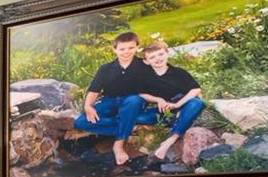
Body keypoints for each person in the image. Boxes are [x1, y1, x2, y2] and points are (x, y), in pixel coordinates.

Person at [72, 31, 157, 166]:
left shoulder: (145, 66)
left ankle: (118, 144)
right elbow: (94, 91)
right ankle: (128, 124)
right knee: (81, 122)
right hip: (110, 102)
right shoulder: (105, 69)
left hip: (133, 103)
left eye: (131, 48)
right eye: (122, 49)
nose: (126, 52)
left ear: (137, 47)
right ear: (115, 50)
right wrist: (88, 106)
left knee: (134, 100)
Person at [137, 40, 206, 163]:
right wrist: (159, 100)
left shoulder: (178, 72)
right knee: (140, 117)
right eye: (152, 57)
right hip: (167, 111)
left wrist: (178, 105)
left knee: (197, 103)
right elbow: (142, 93)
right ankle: (180, 121)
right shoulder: (146, 77)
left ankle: (171, 139)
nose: (158, 59)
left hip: (184, 104)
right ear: (146, 61)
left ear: (167, 53)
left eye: (160, 54)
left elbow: (195, 89)